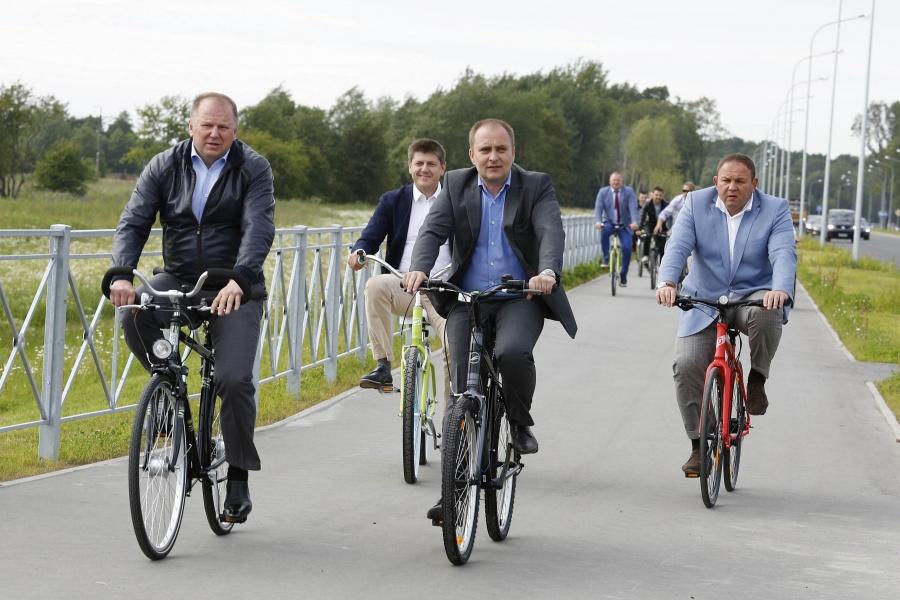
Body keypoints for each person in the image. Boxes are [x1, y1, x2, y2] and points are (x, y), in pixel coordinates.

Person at [110, 92, 275, 524]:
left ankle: (237, 474)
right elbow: (134, 220)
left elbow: (259, 228)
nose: (214, 133)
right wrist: (122, 272)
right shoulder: (164, 165)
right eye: (207, 125)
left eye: (223, 126)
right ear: (191, 126)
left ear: (235, 130)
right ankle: (168, 394)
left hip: (234, 285)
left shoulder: (252, 168)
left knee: (234, 379)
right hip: (179, 276)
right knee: (137, 313)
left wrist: (241, 278)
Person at [402, 118, 577, 522]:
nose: (493, 156)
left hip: (521, 295)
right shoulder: (457, 185)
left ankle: (518, 423)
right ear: (472, 155)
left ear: (512, 152)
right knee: (462, 389)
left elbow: (551, 231)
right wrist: (420, 268)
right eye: (485, 150)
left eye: (500, 149)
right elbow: (431, 232)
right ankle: (454, 490)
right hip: (468, 299)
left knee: (513, 353)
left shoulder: (536, 185)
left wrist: (547, 272)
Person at [655, 154, 796, 477]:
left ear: (754, 185)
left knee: (768, 313)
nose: (731, 187)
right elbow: (677, 246)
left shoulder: (774, 209)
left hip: (752, 296)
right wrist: (667, 282)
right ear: (716, 181)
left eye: (740, 181)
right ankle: (697, 444)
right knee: (687, 364)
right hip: (703, 299)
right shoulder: (695, 204)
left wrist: (780, 289)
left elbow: (783, 253)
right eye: (725, 180)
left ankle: (757, 378)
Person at [348, 139, 451, 394]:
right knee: (375, 285)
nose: (424, 169)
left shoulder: (454, 200)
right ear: (409, 167)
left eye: (431, 164)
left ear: (443, 168)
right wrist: (359, 252)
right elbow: (370, 236)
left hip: (445, 289)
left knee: (455, 346)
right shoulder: (393, 200)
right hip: (403, 284)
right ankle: (383, 366)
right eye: (419, 163)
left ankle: (455, 421)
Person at [594, 172, 639, 286]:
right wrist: (598, 221)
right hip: (609, 222)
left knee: (627, 248)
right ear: (610, 181)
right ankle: (606, 259)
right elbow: (598, 208)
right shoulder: (603, 192)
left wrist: (634, 222)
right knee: (604, 232)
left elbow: (633, 207)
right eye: (614, 180)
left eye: (618, 180)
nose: (616, 182)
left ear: (621, 181)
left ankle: (623, 274)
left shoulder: (628, 191)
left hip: (625, 224)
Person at [638, 186, 669, 264]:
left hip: (662, 227)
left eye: (660, 195)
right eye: (656, 195)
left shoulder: (666, 205)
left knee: (662, 246)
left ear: (662, 196)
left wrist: (669, 229)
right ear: (653, 195)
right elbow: (642, 216)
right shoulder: (647, 204)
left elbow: (670, 217)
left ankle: (662, 264)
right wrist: (639, 228)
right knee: (647, 236)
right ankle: (645, 255)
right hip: (650, 225)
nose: (658, 197)